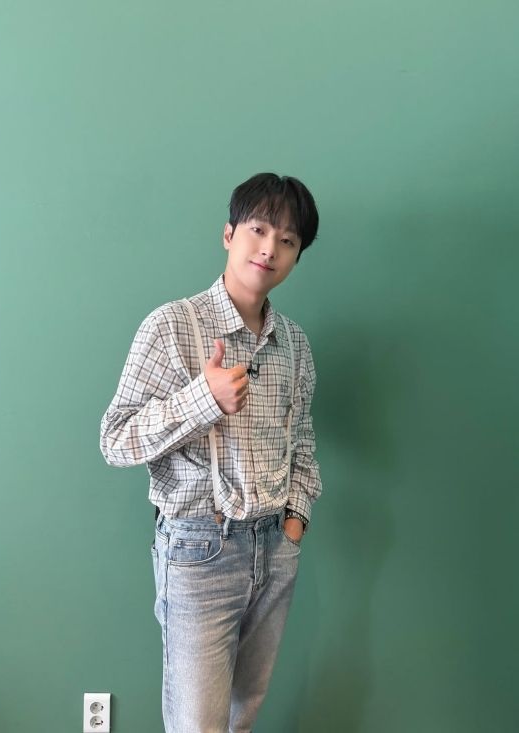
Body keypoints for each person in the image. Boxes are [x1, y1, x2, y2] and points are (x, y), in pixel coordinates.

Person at [99, 172, 322, 732]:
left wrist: (294, 523)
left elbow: (302, 439)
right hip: (200, 548)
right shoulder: (172, 326)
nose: (270, 249)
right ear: (229, 234)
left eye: (288, 240)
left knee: (243, 715)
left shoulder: (294, 343)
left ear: (296, 256)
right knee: (198, 724)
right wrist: (203, 398)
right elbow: (115, 439)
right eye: (258, 230)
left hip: (275, 546)